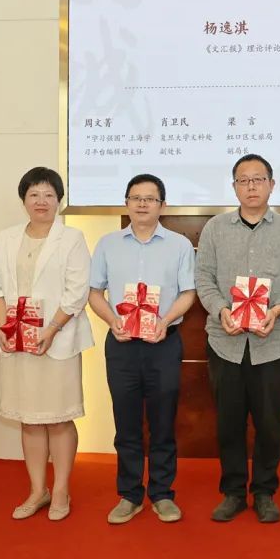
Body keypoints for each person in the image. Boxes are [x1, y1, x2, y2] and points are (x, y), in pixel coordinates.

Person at [195, 154, 280, 523]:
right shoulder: (214, 228)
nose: (251, 187)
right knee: (228, 422)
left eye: (258, 179)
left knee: (269, 423)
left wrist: (277, 311)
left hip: (273, 343)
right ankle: (232, 492)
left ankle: (264, 491)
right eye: (243, 180)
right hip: (225, 341)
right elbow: (204, 279)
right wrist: (220, 311)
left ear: (271, 185)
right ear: (234, 187)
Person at [88, 174, 196, 525]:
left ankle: (162, 493)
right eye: (136, 198)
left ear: (163, 205)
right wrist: (111, 321)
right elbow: (94, 292)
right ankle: (130, 494)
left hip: (163, 342)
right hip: (122, 344)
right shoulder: (108, 244)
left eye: (150, 198)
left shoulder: (179, 245)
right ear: (126, 203)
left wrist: (165, 320)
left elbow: (188, 293)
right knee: (126, 423)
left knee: (163, 422)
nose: (142, 204)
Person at [0, 167, 94, 522]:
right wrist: (5, 326)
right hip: (18, 343)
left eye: (49, 194)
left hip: (57, 342)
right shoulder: (7, 237)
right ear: (24, 200)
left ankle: (61, 489)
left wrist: (51, 330)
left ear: (59, 200)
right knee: (29, 419)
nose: (41, 201)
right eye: (34, 194)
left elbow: (77, 292)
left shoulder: (72, 238)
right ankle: (38, 490)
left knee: (59, 418)